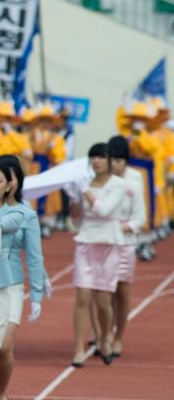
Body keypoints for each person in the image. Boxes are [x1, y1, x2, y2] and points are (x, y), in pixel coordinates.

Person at [0, 157, 45, 400]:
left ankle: (0, 393)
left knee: (4, 347)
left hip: (12, 285)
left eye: (1, 179)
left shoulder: (25, 214)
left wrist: (38, 295)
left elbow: (34, 256)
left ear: (12, 183)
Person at [70, 144, 127, 367]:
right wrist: (74, 200)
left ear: (109, 160)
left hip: (109, 243)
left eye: (101, 157)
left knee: (103, 300)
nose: (96, 161)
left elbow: (105, 210)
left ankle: (104, 338)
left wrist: (84, 192)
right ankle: (78, 348)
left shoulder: (119, 185)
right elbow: (76, 220)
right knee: (82, 296)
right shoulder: (84, 185)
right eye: (93, 157)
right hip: (85, 242)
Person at [108, 137, 146, 360]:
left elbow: (140, 218)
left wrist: (120, 228)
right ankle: (103, 332)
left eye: (120, 160)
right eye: (113, 160)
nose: (116, 165)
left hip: (125, 243)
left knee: (121, 293)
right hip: (102, 243)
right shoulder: (102, 178)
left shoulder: (135, 179)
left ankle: (118, 336)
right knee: (102, 293)